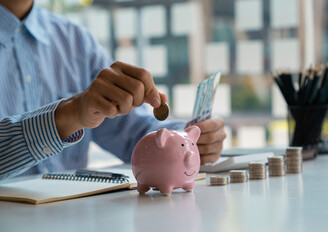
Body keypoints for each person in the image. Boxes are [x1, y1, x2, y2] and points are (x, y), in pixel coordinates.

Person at [0, 0, 226, 180]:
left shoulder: (75, 39)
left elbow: (132, 133)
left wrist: (184, 138)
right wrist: (70, 113)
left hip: (72, 221)